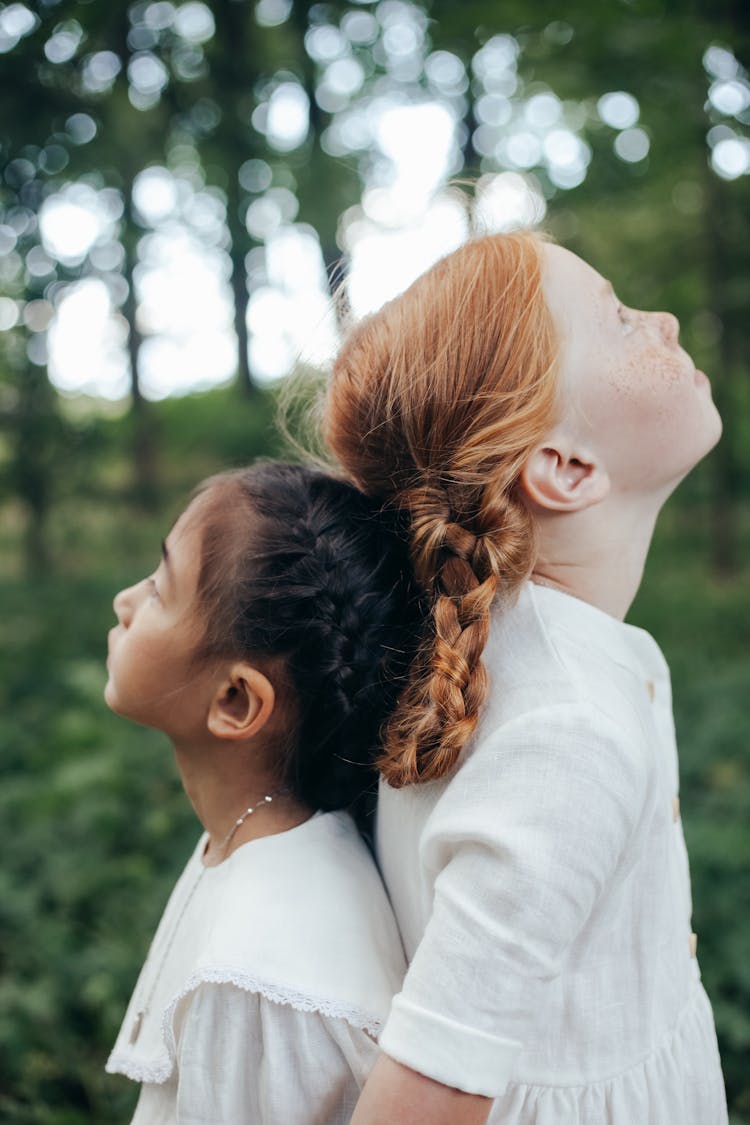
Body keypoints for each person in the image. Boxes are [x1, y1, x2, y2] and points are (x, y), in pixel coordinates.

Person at [320, 230, 728, 1123]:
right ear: (566, 467)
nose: (661, 320)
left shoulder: (492, 654)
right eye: (621, 320)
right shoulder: (564, 732)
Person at [103, 460, 420, 1124]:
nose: (125, 601)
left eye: (161, 590)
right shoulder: (271, 839)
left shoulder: (253, 980)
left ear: (237, 700)